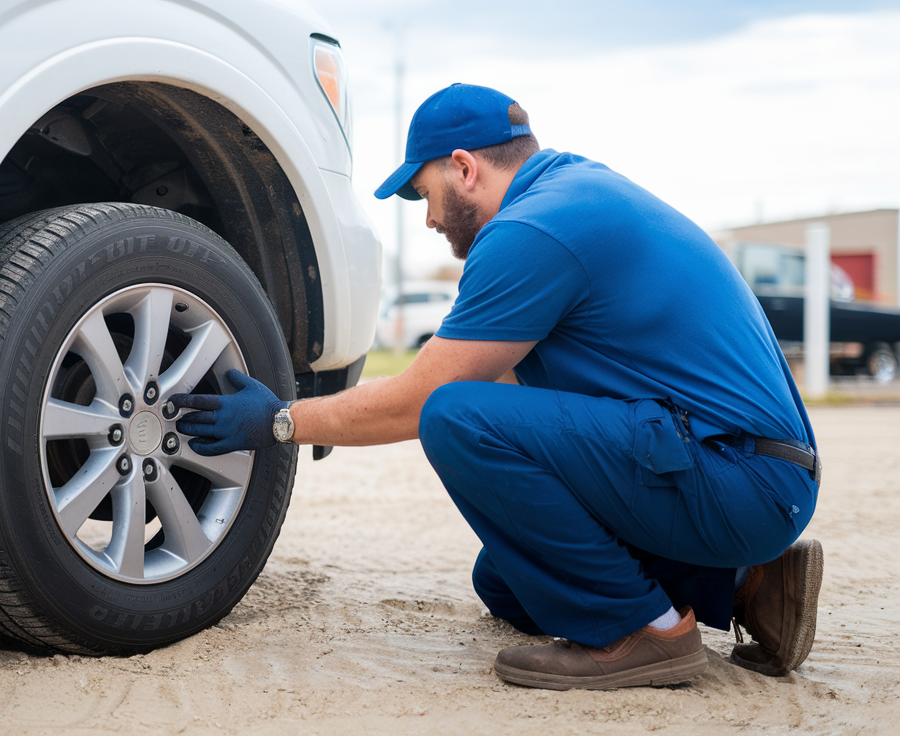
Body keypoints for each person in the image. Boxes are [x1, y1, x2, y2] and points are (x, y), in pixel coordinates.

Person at [170, 83, 823, 691]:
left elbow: (425, 398)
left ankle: (648, 634)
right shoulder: (574, 194)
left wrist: (280, 421)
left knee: (454, 417)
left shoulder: (531, 230)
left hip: (742, 478)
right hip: (747, 472)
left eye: (424, 193)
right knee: (507, 582)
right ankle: (746, 584)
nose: (427, 220)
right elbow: (512, 386)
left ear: (463, 167)